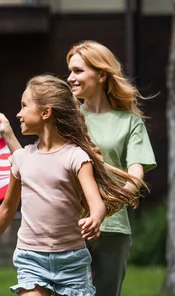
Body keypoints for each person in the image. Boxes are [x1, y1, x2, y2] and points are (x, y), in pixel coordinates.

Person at [0, 75, 146, 296]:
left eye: (24, 106)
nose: (18, 113)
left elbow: (96, 203)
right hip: (30, 258)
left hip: (71, 262)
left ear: (45, 113)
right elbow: (7, 209)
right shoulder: (21, 159)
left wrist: (95, 218)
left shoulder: (76, 157)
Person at [66, 40, 156, 296]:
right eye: (70, 71)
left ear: (102, 75)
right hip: (67, 224)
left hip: (112, 228)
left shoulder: (130, 122)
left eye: (78, 71)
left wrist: (106, 207)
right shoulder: (67, 120)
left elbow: (135, 174)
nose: (70, 78)